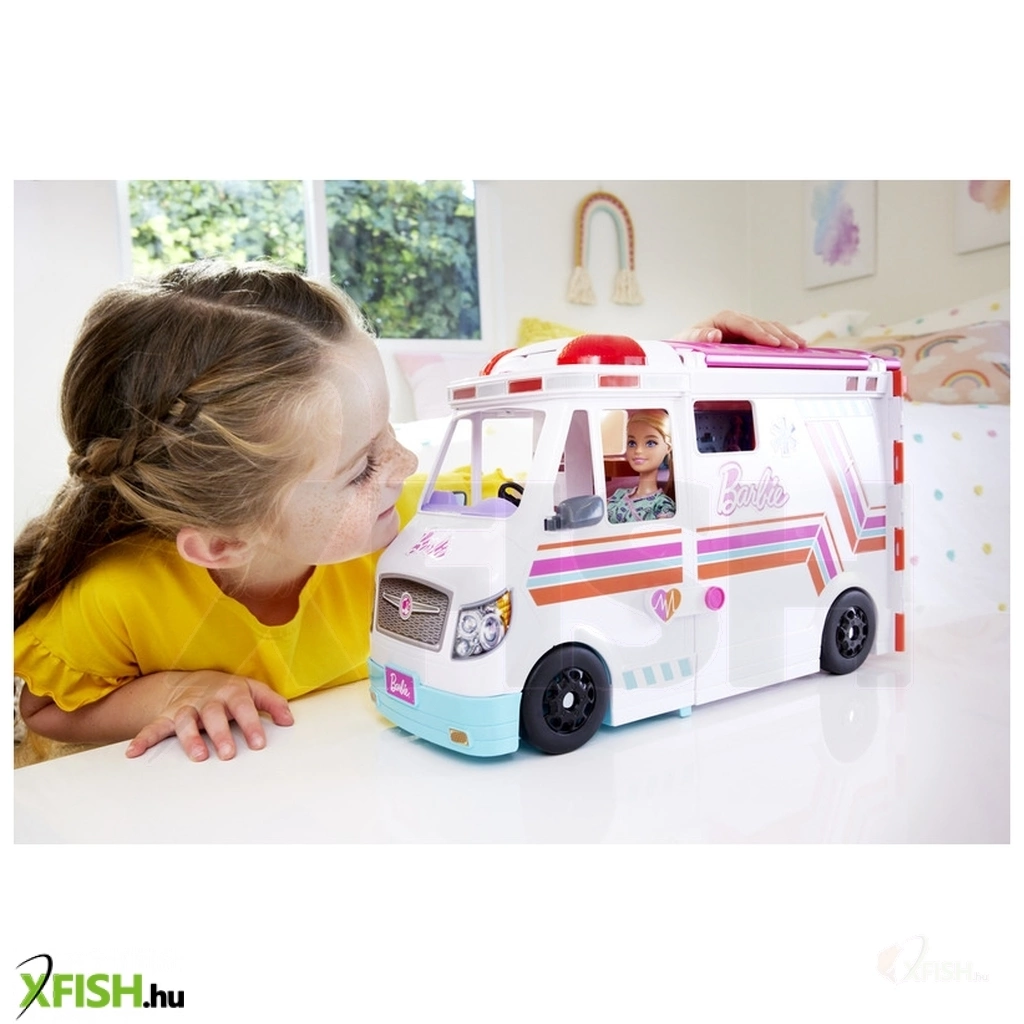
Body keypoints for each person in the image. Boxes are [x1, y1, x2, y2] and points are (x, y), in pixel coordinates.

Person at [14, 257, 805, 762]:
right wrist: (166, 694)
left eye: (390, 431)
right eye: (363, 465)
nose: (404, 464)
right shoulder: (118, 597)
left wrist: (683, 380)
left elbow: (578, 475)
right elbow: (40, 710)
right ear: (221, 543)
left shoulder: (430, 520)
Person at [607, 410, 676, 523]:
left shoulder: (662, 505)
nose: (638, 450)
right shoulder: (619, 495)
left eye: (650, 443)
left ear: (668, 448)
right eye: (632, 443)